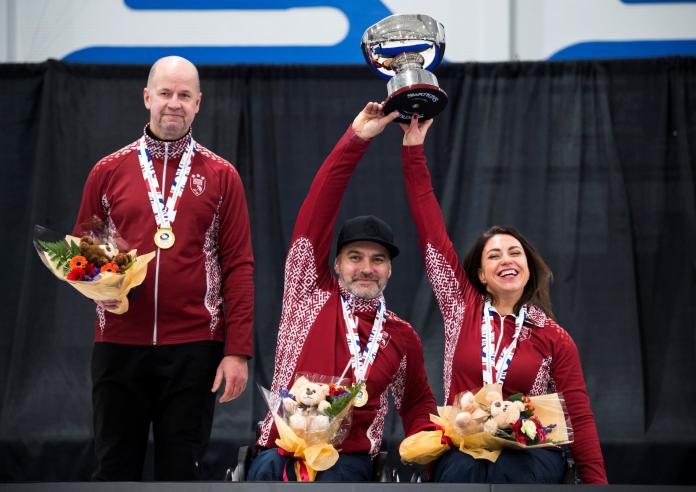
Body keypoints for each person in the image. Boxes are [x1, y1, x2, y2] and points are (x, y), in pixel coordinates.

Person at [72, 56, 254, 481]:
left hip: (195, 347)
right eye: (166, 93)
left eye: (185, 95)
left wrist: (237, 351)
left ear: (198, 103)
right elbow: (83, 253)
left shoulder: (222, 175)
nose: (174, 103)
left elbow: (238, 266)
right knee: (114, 467)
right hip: (119, 345)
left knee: (182, 473)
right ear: (147, 97)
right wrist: (101, 286)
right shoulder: (108, 170)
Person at [398, 115, 608, 484]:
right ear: (480, 275)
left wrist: (597, 487)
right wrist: (414, 151)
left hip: (529, 458)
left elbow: (578, 415)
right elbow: (430, 232)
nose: (506, 260)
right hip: (464, 457)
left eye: (515, 253)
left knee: (513, 469)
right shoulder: (461, 307)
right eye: (494, 256)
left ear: (528, 268)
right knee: (466, 469)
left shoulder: (553, 337)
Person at [248, 102, 436, 481]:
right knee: (269, 469)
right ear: (336, 264)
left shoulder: (401, 336)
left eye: (378, 260)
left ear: (390, 269)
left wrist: (427, 445)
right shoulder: (307, 295)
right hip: (279, 455)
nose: (367, 268)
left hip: (347, 466)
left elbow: (417, 403)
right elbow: (319, 208)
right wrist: (356, 140)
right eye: (355, 257)